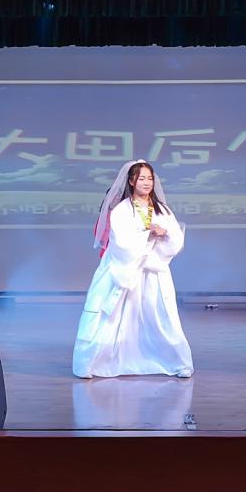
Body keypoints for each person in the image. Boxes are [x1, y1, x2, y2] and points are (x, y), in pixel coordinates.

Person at [73, 160, 193, 379]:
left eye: (150, 178)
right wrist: (148, 234)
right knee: (110, 317)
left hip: (153, 270)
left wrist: (165, 233)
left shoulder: (163, 209)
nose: (147, 183)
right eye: (141, 178)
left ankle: (177, 362)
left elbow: (175, 238)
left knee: (161, 315)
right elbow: (121, 241)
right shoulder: (122, 210)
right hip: (125, 270)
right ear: (131, 181)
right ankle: (92, 363)